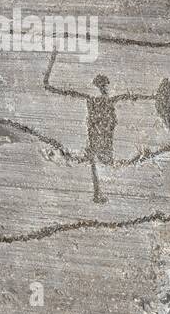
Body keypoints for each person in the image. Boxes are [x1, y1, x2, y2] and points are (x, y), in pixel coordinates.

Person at [43, 51, 156, 203]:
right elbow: (54, 88)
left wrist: (153, 97)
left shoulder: (100, 100)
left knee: (97, 160)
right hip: (99, 135)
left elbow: (132, 97)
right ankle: (97, 191)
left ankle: (97, 190)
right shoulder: (98, 100)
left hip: (102, 135)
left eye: (104, 85)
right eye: (102, 85)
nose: (104, 88)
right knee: (97, 160)